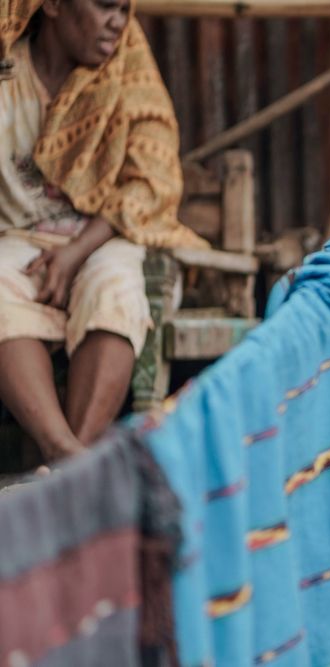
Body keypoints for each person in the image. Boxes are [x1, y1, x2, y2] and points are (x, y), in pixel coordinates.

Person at [0, 0, 205, 463]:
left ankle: (65, 470)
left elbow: (151, 181)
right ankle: (70, 458)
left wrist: (73, 253)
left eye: (125, 8)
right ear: (51, 5)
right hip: (16, 238)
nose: (119, 21)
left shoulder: (126, 68)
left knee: (114, 287)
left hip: (106, 236)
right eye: (104, 6)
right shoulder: (7, 69)